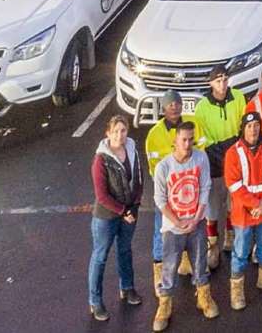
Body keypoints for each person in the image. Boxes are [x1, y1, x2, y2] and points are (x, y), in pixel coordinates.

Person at [151, 121, 217, 330]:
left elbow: (206, 186)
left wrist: (197, 218)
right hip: (173, 228)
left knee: (200, 262)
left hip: (196, 224)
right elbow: (160, 200)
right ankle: (164, 305)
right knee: (169, 268)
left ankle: (204, 297)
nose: (188, 144)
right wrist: (178, 221)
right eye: (184, 140)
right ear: (175, 141)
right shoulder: (164, 167)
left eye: (191, 140)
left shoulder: (201, 158)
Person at [224, 110, 262, 310]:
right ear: (243, 129)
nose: (253, 130)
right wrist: (255, 204)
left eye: (256, 125)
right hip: (244, 212)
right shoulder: (233, 152)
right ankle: (237, 287)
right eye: (249, 126)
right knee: (241, 250)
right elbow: (234, 185)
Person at [89, 113, 143, 322]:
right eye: (116, 131)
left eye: (123, 131)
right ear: (108, 133)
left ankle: (127, 288)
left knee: (125, 250)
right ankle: (95, 301)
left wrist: (134, 206)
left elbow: (138, 180)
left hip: (129, 212)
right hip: (107, 216)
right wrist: (123, 212)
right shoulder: (100, 160)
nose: (120, 135)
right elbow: (102, 196)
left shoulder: (131, 150)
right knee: (100, 257)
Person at [190, 65, 245, 271]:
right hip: (213, 164)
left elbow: (242, 127)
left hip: (236, 164)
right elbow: (204, 139)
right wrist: (226, 148)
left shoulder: (238, 97)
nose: (222, 84)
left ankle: (229, 238)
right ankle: (212, 246)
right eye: (217, 80)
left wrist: (232, 149)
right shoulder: (202, 107)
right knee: (212, 208)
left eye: (224, 79)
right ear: (210, 83)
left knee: (233, 204)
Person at [144, 91, 189, 294]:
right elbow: (154, 167)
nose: (174, 108)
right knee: (160, 229)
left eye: (177, 104)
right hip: (167, 191)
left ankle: (186, 261)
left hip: (188, 188)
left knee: (190, 225)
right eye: (170, 105)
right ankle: (159, 269)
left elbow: (200, 151)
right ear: (163, 108)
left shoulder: (190, 125)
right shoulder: (154, 135)